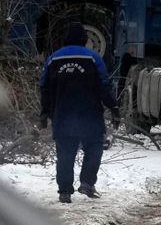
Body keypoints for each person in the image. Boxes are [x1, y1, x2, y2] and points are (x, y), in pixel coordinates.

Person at [39, 24, 118, 204]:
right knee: (94, 148)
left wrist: (44, 114)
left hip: (62, 116)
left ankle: (65, 192)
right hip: (90, 116)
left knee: (65, 153)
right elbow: (104, 85)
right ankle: (87, 183)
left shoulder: (52, 59)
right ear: (84, 40)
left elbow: (44, 88)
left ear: (65, 40)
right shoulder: (93, 57)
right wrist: (114, 108)